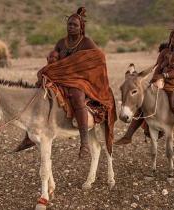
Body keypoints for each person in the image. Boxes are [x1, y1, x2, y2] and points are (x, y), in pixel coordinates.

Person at [15, 7, 116, 159]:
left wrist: (78, 66)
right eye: (69, 24)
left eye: (75, 25)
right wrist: (53, 60)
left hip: (80, 79)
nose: (71, 27)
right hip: (61, 77)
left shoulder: (87, 42)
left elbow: (99, 58)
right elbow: (54, 62)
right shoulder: (61, 43)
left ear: (81, 28)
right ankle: (28, 137)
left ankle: (84, 143)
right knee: (40, 92)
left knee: (76, 95)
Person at [115, 21, 174, 163]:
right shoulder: (165, 51)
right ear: (170, 37)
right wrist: (154, 79)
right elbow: (157, 67)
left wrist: (165, 76)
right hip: (162, 79)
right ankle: (128, 135)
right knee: (145, 100)